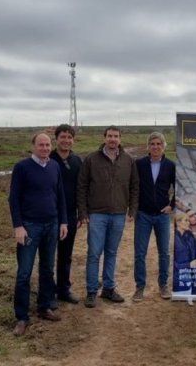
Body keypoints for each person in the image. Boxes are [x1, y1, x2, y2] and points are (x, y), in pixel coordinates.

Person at [8, 133, 68, 336]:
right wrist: (18, 226)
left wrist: (63, 221)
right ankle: (22, 317)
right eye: (40, 145)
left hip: (51, 224)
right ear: (33, 146)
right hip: (30, 226)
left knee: (47, 269)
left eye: (47, 145)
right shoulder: (22, 168)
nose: (44, 148)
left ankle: (44, 307)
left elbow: (60, 196)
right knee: (24, 272)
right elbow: (13, 199)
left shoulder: (54, 167)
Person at [77, 125, 139, 308]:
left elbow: (135, 186)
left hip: (119, 214)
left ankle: (109, 289)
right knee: (94, 253)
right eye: (110, 136)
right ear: (104, 138)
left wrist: (132, 210)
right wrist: (83, 212)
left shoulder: (128, 160)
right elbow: (82, 187)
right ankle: (91, 291)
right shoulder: (91, 159)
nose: (113, 139)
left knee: (111, 252)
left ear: (120, 139)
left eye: (116, 136)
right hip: (96, 214)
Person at [132, 132, 176, 302]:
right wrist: (134, 209)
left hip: (162, 216)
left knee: (164, 253)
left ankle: (163, 285)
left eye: (159, 143)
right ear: (148, 146)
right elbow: (133, 187)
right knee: (139, 253)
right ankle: (139, 287)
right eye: (152, 144)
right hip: (143, 215)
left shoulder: (170, 165)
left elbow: (178, 187)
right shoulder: (140, 164)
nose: (156, 147)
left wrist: (171, 205)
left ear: (163, 145)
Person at [49, 124, 83, 304]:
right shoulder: (48, 159)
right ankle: (48, 292)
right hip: (49, 215)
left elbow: (81, 188)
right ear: (56, 139)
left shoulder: (77, 161)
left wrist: (81, 213)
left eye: (70, 137)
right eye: (63, 137)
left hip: (69, 214)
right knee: (48, 256)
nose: (66, 140)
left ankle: (63, 289)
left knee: (65, 254)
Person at [172, 212, 196, 295]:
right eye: (186, 220)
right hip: (176, 279)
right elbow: (170, 263)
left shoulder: (188, 236)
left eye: (188, 220)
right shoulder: (172, 238)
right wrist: (189, 265)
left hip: (188, 278)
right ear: (178, 222)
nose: (189, 222)